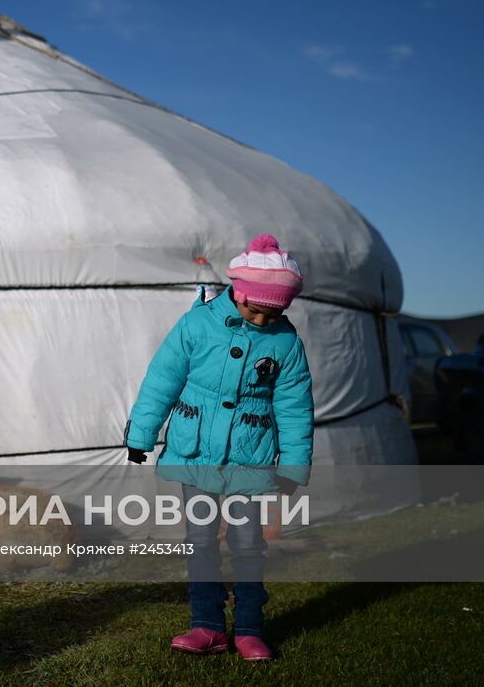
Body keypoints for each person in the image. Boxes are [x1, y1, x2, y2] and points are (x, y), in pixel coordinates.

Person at [123, 234, 313, 661]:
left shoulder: (285, 343)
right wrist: (141, 436)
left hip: (252, 456)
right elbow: (162, 381)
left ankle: (249, 628)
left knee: (248, 544)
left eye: (274, 313)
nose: (264, 320)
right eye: (256, 309)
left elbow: (296, 408)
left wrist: (294, 466)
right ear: (238, 292)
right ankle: (207, 626)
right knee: (201, 541)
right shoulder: (197, 325)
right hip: (195, 455)